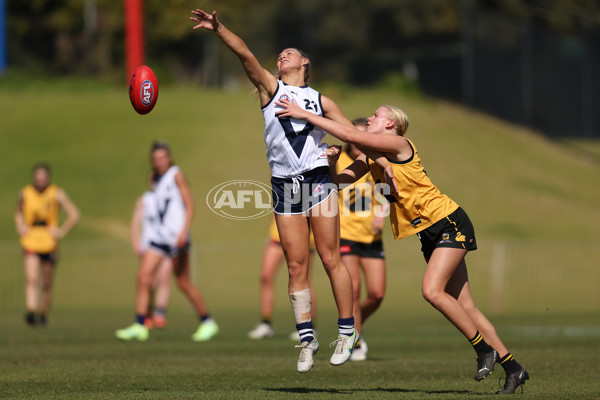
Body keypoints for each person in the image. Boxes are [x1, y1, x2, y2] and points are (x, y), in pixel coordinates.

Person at [189, 9, 396, 373]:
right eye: (279, 54)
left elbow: (356, 140)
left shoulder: (322, 101)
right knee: (296, 265)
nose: (282, 56)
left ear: (305, 62)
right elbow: (245, 54)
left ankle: (347, 332)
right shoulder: (271, 87)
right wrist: (219, 29)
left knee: (331, 258)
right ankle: (306, 339)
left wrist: (379, 165)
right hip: (285, 186)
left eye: (290, 52)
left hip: (317, 180)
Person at [275, 100, 530, 394]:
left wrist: (305, 115)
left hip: (448, 222)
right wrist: (332, 160)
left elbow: (353, 137)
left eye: (376, 115)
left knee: (432, 291)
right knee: (465, 306)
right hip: (429, 234)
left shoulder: (398, 143)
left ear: (390, 125)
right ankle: (513, 368)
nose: (370, 118)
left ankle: (484, 350)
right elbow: (339, 182)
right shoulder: (373, 159)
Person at [116, 141, 219, 342]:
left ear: (169, 158)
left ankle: (208, 322)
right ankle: (140, 324)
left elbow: (190, 205)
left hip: (176, 237)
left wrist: (184, 231)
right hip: (160, 238)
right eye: (155, 159)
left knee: (183, 282)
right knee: (143, 277)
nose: (159, 161)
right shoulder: (159, 180)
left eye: (163, 157)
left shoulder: (175, 174)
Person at [336, 118, 388, 361]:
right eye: (353, 137)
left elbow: (387, 188)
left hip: (372, 236)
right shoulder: (339, 160)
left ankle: (358, 324)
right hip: (345, 235)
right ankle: (354, 341)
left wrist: (382, 211)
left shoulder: (373, 159)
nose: (357, 142)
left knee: (377, 293)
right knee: (354, 289)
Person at [14, 162, 80, 326]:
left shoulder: (56, 193)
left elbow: (74, 214)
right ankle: (31, 311)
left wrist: (61, 231)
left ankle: (43, 313)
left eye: (43, 177)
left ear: (48, 178)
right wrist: (20, 227)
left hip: (50, 242)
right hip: (31, 240)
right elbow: (18, 213)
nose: (40, 180)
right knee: (32, 278)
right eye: (37, 177)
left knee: (47, 282)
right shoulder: (25, 193)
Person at [248, 214, 318, 341]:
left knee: (304, 279)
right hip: (278, 235)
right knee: (266, 276)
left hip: (302, 236)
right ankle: (266, 323)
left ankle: (309, 326)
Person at [130, 189, 173, 329]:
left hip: (167, 244)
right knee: (148, 281)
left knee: (164, 278)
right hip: (149, 246)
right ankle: (145, 314)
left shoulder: (171, 198)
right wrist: (136, 243)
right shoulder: (145, 199)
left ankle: (159, 313)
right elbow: (136, 222)